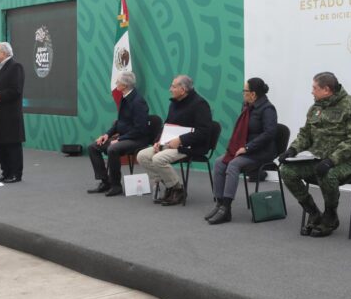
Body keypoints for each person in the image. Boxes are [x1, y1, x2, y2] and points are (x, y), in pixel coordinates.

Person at [278, 72, 351, 237]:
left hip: (350, 161)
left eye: (314, 88)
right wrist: (292, 150)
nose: (312, 91)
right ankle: (313, 212)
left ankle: (330, 215)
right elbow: (306, 134)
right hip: (319, 158)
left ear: (326, 90)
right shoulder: (316, 107)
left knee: (328, 174)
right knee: (286, 171)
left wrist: (331, 161)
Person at [205, 78, 278, 225]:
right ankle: (219, 203)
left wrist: (248, 147)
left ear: (253, 94)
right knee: (219, 163)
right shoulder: (247, 106)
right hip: (246, 149)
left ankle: (226, 208)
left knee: (233, 165)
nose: (242, 93)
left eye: (244, 91)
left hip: (261, 151)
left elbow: (270, 133)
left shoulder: (268, 109)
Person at [137, 75, 212, 206]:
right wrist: (158, 141)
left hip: (190, 146)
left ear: (183, 90)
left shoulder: (200, 104)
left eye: (173, 86)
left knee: (158, 159)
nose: (170, 89)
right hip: (169, 143)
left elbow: (204, 132)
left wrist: (181, 140)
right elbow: (166, 125)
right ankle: (170, 185)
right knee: (142, 156)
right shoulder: (174, 103)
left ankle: (178, 189)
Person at [87, 71, 150, 197]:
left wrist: (120, 138)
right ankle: (105, 182)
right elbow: (119, 122)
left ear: (125, 85)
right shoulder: (124, 97)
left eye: (118, 82)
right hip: (125, 136)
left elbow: (140, 129)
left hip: (137, 139)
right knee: (93, 147)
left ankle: (116, 185)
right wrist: (107, 135)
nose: (116, 84)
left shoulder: (138, 102)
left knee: (113, 148)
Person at [0, 42, 25, 183]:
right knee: (0, 145)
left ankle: (15, 174)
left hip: (10, 115)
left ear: (4, 53)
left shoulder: (15, 67)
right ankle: (6, 172)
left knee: (12, 146)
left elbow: (16, 91)